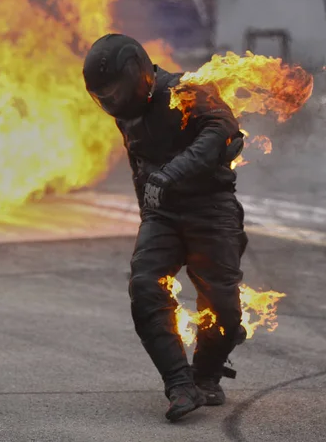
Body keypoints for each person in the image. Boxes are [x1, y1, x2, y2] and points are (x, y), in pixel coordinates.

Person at [82, 33, 248, 422]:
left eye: (115, 91)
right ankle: (179, 385)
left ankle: (206, 377)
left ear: (139, 74)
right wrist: (149, 209)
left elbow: (222, 131)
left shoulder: (187, 90)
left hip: (211, 208)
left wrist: (171, 174)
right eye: (102, 97)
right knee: (144, 285)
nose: (111, 102)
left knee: (223, 309)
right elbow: (141, 168)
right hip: (163, 216)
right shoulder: (126, 113)